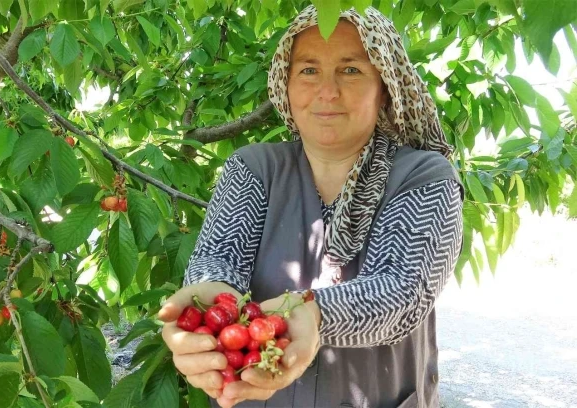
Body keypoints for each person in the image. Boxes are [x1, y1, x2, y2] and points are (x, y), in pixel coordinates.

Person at [158, 5, 464, 408]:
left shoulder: (424, 176)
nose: (327, 91)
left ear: (385, 86)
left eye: (351, 70)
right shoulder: (254, 168)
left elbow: (402, 290)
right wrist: (211, 300)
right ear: (286, 85)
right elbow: (219, 259)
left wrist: (311, 312)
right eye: (308, 70)